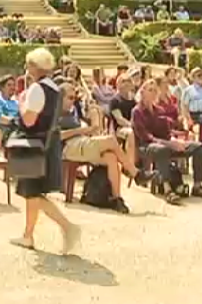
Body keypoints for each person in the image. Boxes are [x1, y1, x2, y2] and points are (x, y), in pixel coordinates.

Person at [10, 48, 81, 253]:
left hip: (33, 144)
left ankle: (68, 227)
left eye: (28, 64)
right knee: (33, 192)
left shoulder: (36, 89)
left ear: (35, 66)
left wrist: (21, 103)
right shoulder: (55, 89)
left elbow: (29, 119)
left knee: (32, 192)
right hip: (47, 144)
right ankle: (28, 235)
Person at [57, 83, 155, 214]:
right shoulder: (55, 113)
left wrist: (92, 116)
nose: (72, 101)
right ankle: (135, 173)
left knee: (111, 157)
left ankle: (117, 198)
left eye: (74, 98)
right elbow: (58, 136)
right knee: (110, 140)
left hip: (82, 143)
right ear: (60, 98)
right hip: (68, 147)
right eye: (69, 97)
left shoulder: (74, 110)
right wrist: (83, 130)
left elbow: (91, 124)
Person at [132, 79, 202, 205]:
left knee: (198, 147)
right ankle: (167, 189)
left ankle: (198, 186)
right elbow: (146, 137)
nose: (153, 93)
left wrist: (176, 142)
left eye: (155, 90)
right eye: (150, 90)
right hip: (146, 146)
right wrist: (168, 143)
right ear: (142, 92)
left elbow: (167, 133)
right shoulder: (137, 112)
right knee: (161, 149)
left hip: (164, 143)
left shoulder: (159, 110)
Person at [109, 74, 138, 165]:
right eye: (123, 81)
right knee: (130, 133)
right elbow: (119, 119)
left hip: (132, 126)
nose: (126, 83)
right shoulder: (115, 100)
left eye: (128, 81)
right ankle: (130, 164)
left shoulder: (133, 100)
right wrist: (132, 126)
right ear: (117, 85)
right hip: (118, 129)